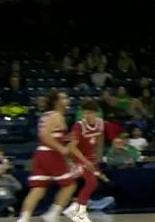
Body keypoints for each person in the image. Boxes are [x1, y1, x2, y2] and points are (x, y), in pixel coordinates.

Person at [18, 91, 77, 222]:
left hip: (40, 154)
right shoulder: (57, 116)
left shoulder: (47, 115)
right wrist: (62, 149)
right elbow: (44, 135)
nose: (67, 99)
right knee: (70, 185)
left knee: (38, 189)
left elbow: (53, 134)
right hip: (51, 154)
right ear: (57, 102)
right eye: (64, 97)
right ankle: (52, 214)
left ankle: (24, 218)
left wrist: (69, 139)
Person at [64, 100, 105, 222]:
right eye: (85, 113)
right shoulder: (78, 125)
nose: (87, 115)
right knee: (91, 182)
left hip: (91, 156)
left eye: (90, 113)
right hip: (78, 156)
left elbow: (99, 140)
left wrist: (98, 157)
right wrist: (85, 161)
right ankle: (80, 213)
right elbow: (72, 147)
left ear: (95, 113)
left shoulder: (100, 123)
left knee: (93, 184)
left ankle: (74, 207)